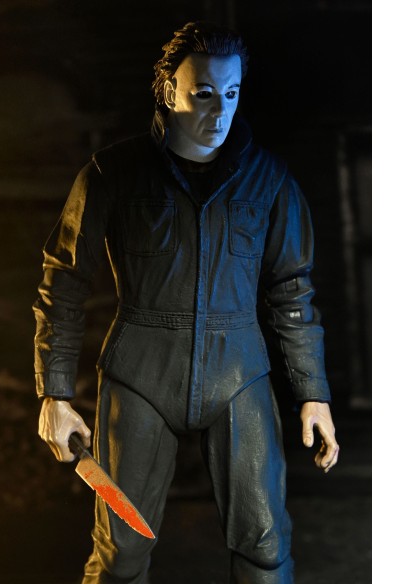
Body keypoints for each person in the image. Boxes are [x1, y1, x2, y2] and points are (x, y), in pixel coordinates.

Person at [34, 21, 340, 584]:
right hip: (140, 373)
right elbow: (64, 281)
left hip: (239, 373)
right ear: (167, 90)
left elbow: (292, 290)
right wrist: (54, 392)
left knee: (266, 547)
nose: (219, 111)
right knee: (121, 551)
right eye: (202, 93)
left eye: (232, 93)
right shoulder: (113, 174)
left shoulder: (268, 181)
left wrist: (313, 394)